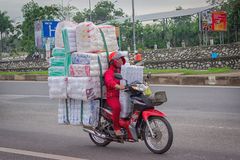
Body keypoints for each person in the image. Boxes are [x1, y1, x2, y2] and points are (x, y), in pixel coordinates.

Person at [104, 51, 126, 136]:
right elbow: (109, 81)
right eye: (119, 59)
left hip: (124, 95)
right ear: (114, 61)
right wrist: (118, 86)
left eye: (122, 59)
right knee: (117, 107)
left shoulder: (122, 71)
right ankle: (116, 128)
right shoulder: (109, 72)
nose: (121, 61)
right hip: (113, 96)